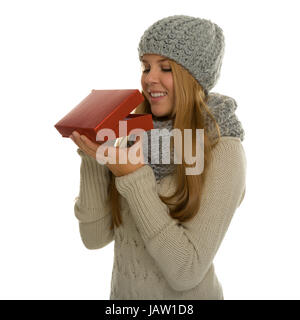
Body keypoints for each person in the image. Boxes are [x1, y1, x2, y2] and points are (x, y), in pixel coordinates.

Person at [69, 15, 247, 300]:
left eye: (165, 68)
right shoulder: (132, 132)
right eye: (145, 66)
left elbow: (186, 271)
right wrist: (92, 156)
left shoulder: (222, 150)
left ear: (194, 78)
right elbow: (94, 239)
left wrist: (133, 176)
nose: (149, 78)